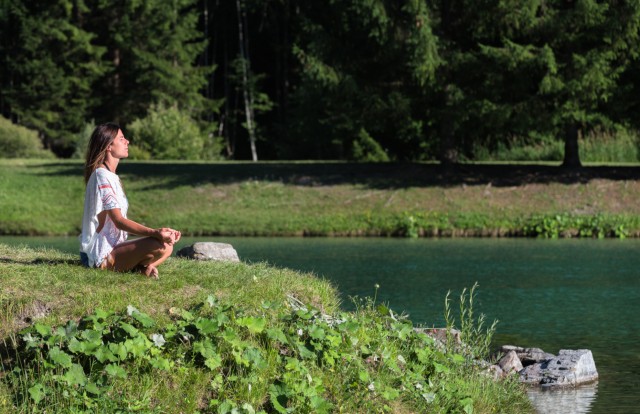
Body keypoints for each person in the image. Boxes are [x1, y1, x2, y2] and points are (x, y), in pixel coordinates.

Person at [79, 122, 181, 279]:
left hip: (115, 247)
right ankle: (127, 267)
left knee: (167, 245)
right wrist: (155, 233)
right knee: (158, 243)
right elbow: (118, 221)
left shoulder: (111, 176)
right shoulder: (101, 175)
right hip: (97, 254)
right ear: (108, 146)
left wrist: (162, 233)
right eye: (121, 138)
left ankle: (143, 268)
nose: (127, 141)